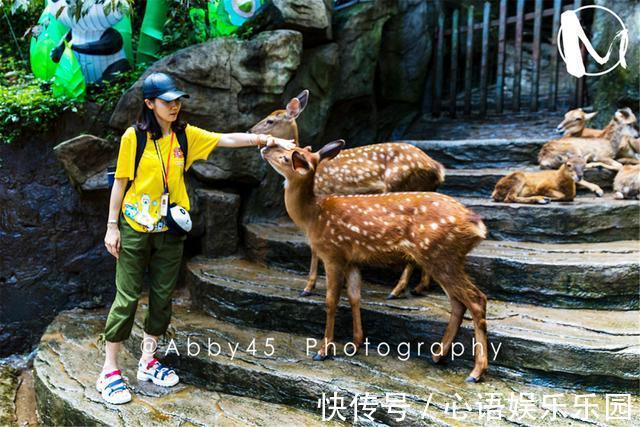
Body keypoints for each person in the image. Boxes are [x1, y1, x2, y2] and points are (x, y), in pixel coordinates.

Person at [96, 72, 293, 404]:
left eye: (177, 100)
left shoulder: (185, 137)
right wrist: (112, 226)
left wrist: (268, 141)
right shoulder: (135, 138)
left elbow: (226, 140)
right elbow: (120, 182)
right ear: (149, 104)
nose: (174, 106)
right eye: (167, 101)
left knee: (161, 299)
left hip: (170, 231)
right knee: (127, 298)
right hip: (135, 228)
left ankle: (147, 361)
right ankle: (109, 370)